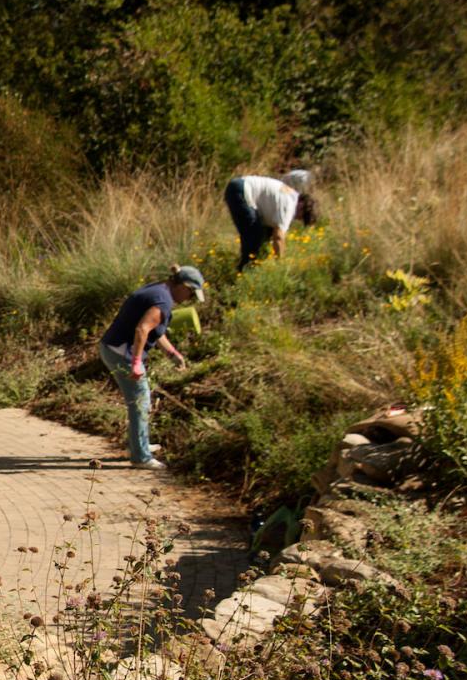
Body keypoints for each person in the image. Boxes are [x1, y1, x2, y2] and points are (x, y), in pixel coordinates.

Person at [99, 265, 206, 470]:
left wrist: (172, 353)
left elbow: (154, 330)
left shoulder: (159, 290)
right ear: (183, 285)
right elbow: (143, 329)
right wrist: (136, 362)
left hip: (112, 348)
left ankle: (138, 446)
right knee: (140, 403)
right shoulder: (162, 300)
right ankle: (140, 457)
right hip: (122, 353)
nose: (189, 298)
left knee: (140, 401)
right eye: (190, 292)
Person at [224, 169, 315, 271]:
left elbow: (272, 231)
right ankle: (244, 272)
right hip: (241, 190)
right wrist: (280, 265)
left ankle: (248, 268)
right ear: (301, 205)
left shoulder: (291, 196)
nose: (298, 219)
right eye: (301, 217)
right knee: (254, 237)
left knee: (262, 237)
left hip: (239, 187)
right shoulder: (289, 205)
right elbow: (279, 237)